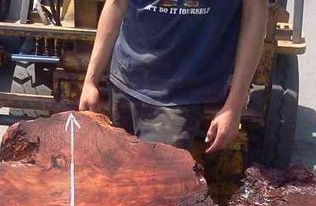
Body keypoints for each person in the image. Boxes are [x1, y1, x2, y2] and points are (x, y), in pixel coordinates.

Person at [78, 0, 268, 153]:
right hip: (124, 81)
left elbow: (254, 16)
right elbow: (116, 4)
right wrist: (90, 80)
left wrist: (233, 107)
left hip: (179, 98)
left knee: (156, 189)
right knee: (117, 178)